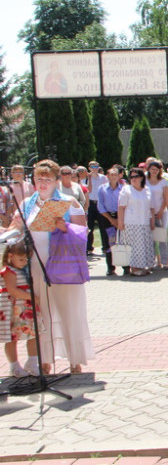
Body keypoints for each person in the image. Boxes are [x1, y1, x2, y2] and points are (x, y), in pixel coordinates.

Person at [15, 159, 94, 375]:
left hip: (62, 266)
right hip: (35, 266)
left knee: (68, 311)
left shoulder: (69, 202)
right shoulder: (26, 205)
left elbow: (83, 234)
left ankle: (75, 360)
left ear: (56, 181)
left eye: (47, 179)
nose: (42, 184)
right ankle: (45, 360)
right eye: (39, 179)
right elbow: (15, 230)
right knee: (42, 315)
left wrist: (65, 226)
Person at [1, 241, 39, 377]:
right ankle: (14, 366)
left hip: (25, 308)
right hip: (13, 309)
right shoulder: (8, 271)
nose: (24, 262)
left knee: (33, 334)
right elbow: (12, 290)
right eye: (21, 259)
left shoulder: (21, 270)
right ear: (10, 256)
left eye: (26, 259)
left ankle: (32, 362)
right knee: (12, 338)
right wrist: (32, 297)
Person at [117, 167, 155, 276]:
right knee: (134, 246)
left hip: (144, 222)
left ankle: (142, 267)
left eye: (136, 176)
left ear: (142, 177)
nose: (134, 179)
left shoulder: (147, 189)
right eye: (131, 177)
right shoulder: (126, 189)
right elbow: (121, 207)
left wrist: (152, 221)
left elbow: (151, 207)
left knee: (143, 245)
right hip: (131, 222)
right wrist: (120, 222)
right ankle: (134, 268)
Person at [98, 168, 126, 276]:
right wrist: (111, 219)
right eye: (111, 175)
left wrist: (120, 219)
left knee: (123, 242)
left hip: (121, 217)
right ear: (107, 176)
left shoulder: (124, 188)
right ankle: (111, 268)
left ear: (119, 176)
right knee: (109, 242)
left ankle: (126, 266)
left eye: (115, 175)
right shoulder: (102, 189)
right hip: (107, 217)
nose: (114, 177)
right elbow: (100, 206)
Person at [146, 161, 168, 269]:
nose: (154, 171)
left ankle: (165, 261)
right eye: (152, 169)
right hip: (148, 213)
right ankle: (151, 262)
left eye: (156, 169)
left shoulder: (163, 182)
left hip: (161, 212)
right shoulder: (144, 181)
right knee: (150, 238)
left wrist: (161, 210)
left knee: (161, 237)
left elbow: (166, 198)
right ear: (149, 169)